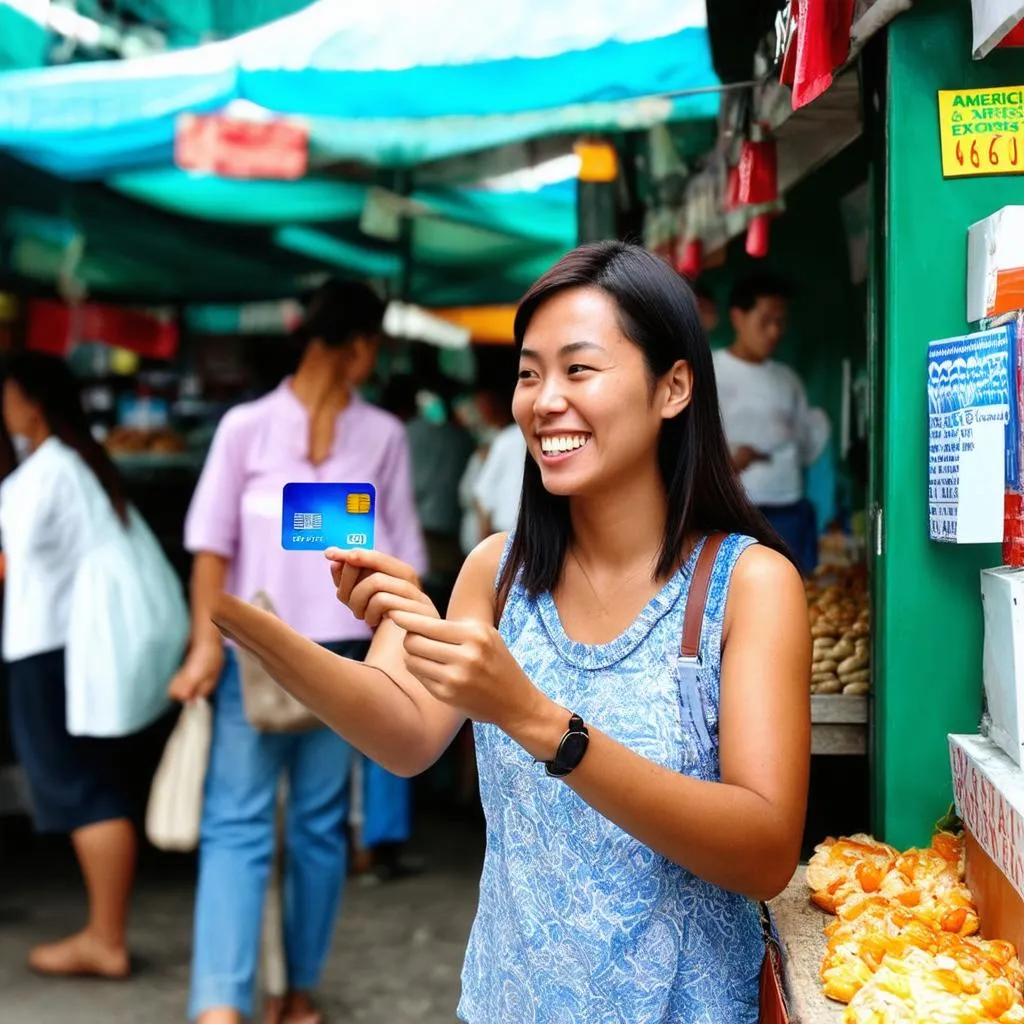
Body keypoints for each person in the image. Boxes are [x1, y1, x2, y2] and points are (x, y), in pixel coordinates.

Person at [212, 242, 812, 1022]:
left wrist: (534, 719)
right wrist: (255, 631)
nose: (543, 400)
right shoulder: (498, 571)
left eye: (578, 369)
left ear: (673, 387)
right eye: (529, 373)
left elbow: (765, 852)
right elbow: (407, 737)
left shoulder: (748, 586)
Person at [171, 280, 426, 1024]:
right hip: (252, 656)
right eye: (373, 344)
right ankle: (221, 1000)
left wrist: (393, 661)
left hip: (346, 659)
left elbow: (404, 556)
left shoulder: (382, 436)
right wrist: (201, 646)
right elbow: (210, 548)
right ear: (356, 345)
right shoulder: (245, 428)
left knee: (319, 830)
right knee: (238, 823)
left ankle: (296, 989)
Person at [0, 353, 147, 979]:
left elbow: (15, 558)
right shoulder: (74, 465)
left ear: (32, 402)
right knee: (87, 783)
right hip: (66, 646)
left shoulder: (45, 472)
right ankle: (102, 932)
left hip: (47, 646)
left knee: (79, 789)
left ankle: (105, 938)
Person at [712, 274, 829, 574]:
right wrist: (725, 461)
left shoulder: (787, 379)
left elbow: (806, 446)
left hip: (788, 509)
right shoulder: (711, 373)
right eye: (765, 321)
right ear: (738, 317)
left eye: (780, 321)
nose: (774, 331)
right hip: (732, 513)